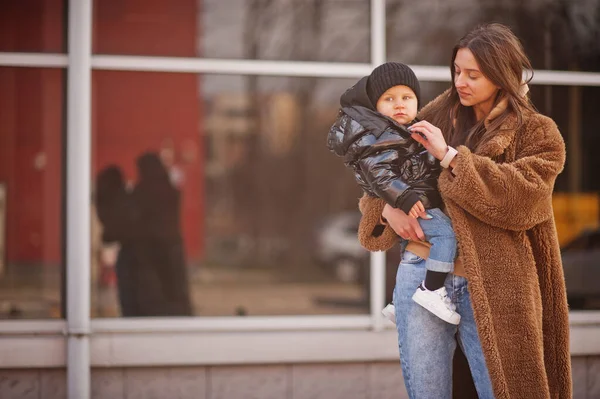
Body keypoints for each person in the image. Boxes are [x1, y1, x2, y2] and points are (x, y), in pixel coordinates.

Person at [357, 23, 571, 398]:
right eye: (457, 71)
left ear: (502, 74)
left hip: (495, 286)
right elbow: (379, 168)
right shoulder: (435, 116)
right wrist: (386, 210)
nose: (461, 82)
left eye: (473, 74)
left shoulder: (538, 132)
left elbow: (525, 201)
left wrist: (450, 157)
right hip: (421, 277)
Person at [327, 62, 460, 325]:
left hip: (414, 202)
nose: (399, 104)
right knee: (446, 236)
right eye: (389, 99)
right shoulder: (382, 134)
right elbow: (378, 172)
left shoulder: (403, 131)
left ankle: (399, 303)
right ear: (375, 106)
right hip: (416, 204)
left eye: (407, 98)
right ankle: (432, 291)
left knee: (413, 254)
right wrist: (404, 198)